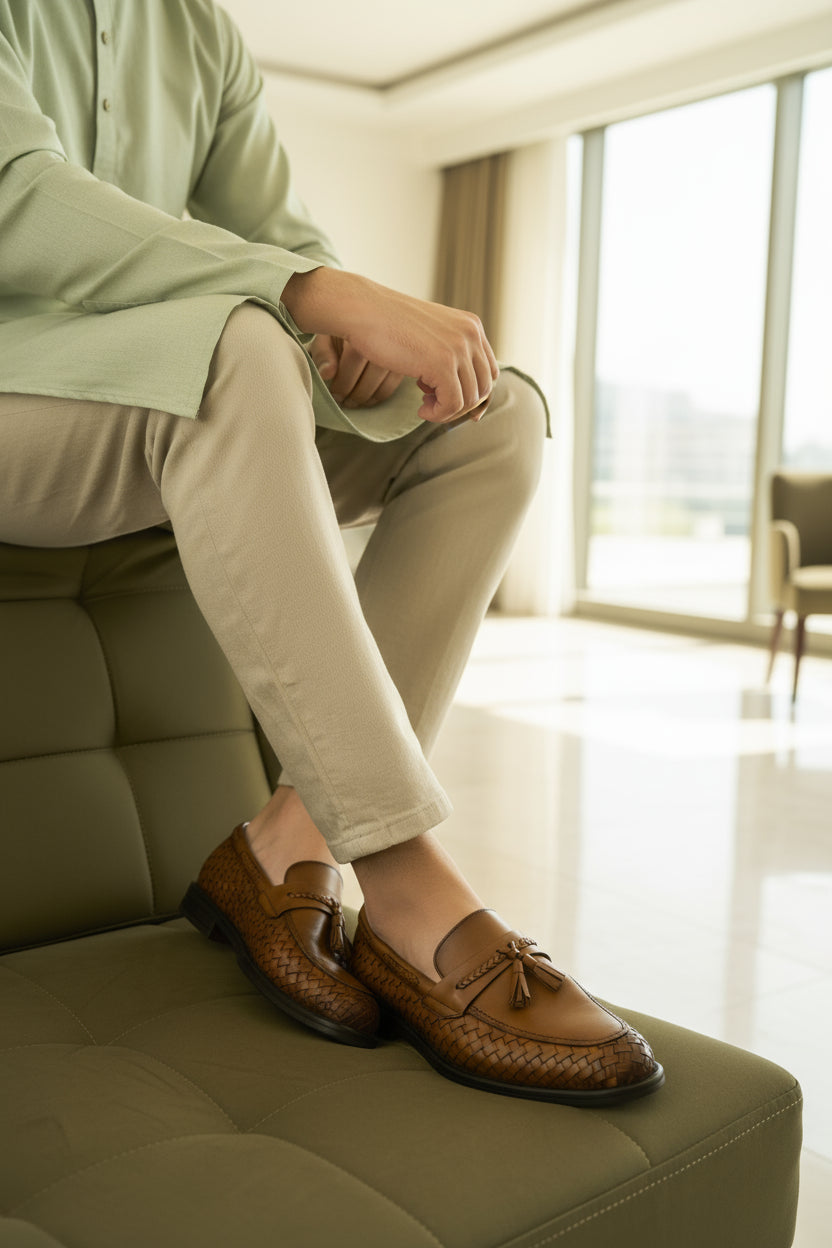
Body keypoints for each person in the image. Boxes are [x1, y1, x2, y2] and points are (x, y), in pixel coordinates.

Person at [0, 0, 663, 1105]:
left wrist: (336, 325)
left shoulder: (196, 31)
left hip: (154, 385)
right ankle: (403, 883)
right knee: (236, 344)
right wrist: (305, 292)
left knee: (489, 415)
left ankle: (287, 840)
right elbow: (18, 195)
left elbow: (281, 234)